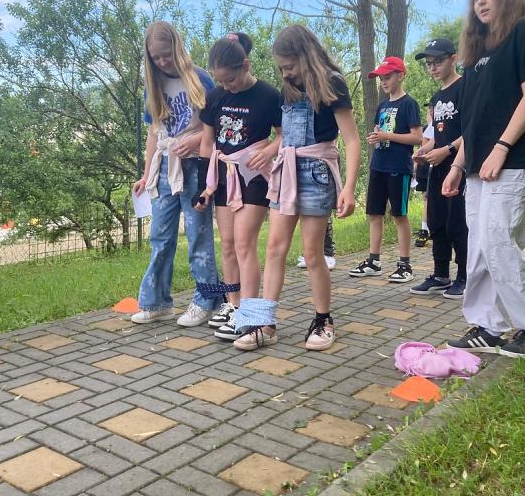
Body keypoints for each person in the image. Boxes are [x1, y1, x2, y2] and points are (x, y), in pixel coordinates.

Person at [443, 0, 525, 357]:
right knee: (478, 247)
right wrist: (458, 164)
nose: (481, 2)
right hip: (478, 166)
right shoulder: (477, 53)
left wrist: (503, 146)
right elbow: (474, 121)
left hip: (515, 160)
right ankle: (487, 327)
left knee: (500, 243)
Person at [231, 24, 360, 352]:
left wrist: (348, 188)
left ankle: (323, 321)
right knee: (274, 247)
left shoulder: (333, 83)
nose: (286, 74)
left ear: (306, 56)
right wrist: (269, 152)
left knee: (313, 253)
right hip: (286, 172)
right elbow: (285, 136)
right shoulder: (288, 88)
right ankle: (265, 323)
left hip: (317, 173)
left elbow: (351, 139)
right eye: (281, 68)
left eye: (289, 66)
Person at [131, 21, 222, 327]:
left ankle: (207, 300)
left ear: (177, 47)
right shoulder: (153, 85)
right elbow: (153, 133)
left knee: (198, 235)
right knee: (160, 236)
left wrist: (195, 140)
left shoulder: (200, 79)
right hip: (163, 169)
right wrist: (146, 174)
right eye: (155, 57)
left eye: (166, 55)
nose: (162, 61)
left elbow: (217, 125)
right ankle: (157, 302)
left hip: (195, 167)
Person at [194, 32, 282, 341]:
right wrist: (205, 186)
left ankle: (249, 313)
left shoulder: (269, 95)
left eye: (230, 80)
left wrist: (269, 151)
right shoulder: (215, 96)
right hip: (223, 175)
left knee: (245, 244)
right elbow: (208, 142)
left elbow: (285, 134)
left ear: (245, 65)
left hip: (253, 176)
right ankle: (233, 305)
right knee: (229, 244)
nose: (226, 86)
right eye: (220, 81)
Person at [349, 57, 422, 283]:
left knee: (399, 214)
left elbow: (417, 137)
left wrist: (388, 135)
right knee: (374, 213)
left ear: (401, 75)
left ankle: (405, 265)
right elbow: (379, 131)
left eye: (387, 77)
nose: (383, 82)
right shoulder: (382, 106)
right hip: (378, 165)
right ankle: (374, 261)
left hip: (398, 167)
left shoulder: (409, 104)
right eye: (381, 78)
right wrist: (376, 137)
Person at [409, 38, 468, 299]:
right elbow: (435, 135)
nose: (432, 68)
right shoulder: (436, 98)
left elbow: (472, 130)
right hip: (438, 168)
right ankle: (440, 274)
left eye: (438, 62)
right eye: (429, 64)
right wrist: (424, 151)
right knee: (437, 220)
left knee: (458, 222)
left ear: (453, 59)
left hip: (460, 166)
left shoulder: (466, 88)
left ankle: (465, 276)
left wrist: (448, 150)